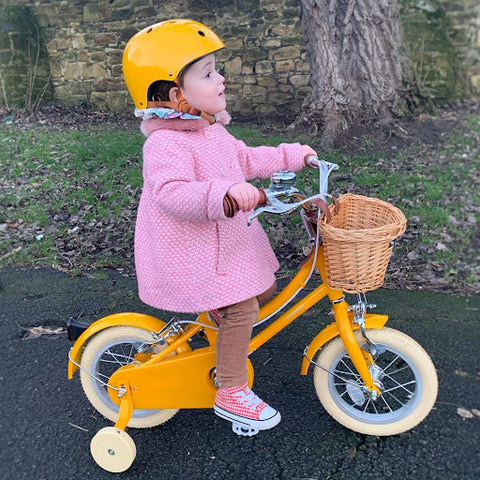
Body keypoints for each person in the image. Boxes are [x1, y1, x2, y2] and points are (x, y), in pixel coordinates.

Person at [123, 19, 317, 434]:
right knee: (242, 307)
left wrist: (292, 154)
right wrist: (223, 192)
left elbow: (245, 159)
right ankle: (230, 391)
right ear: (177, 95)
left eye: (216, 69)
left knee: (263, 289)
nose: (221, 78)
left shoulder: (210, 131)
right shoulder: (165, 144)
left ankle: (221, 334)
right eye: (208, 73)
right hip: (190, 252)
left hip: (223, 243)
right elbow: (170, 192)